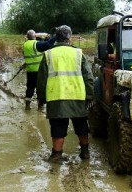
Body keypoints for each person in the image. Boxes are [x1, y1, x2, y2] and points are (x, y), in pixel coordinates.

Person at [37, 25, 94, 161]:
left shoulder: (48, 54)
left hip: (56, 98)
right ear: (70, 37)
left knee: (57, 127)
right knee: (81, 126)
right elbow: (89, 77)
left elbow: (41, 80)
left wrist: (41, 98)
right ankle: (85, 152)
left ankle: (56, 154)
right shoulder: (79, 54)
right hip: (77, 97)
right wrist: (90, 96)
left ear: (57, 37)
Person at [22, 29, 56, 110]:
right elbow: (47, 45)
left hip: (30, 70)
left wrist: (45, 39)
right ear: (35, 36)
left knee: (30, 88)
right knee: (40, 89)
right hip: (39, 71)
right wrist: (55, 37)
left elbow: (37, 48)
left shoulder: (25, 44)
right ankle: (40, 107)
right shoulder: (36, 44)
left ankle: (27, 106)